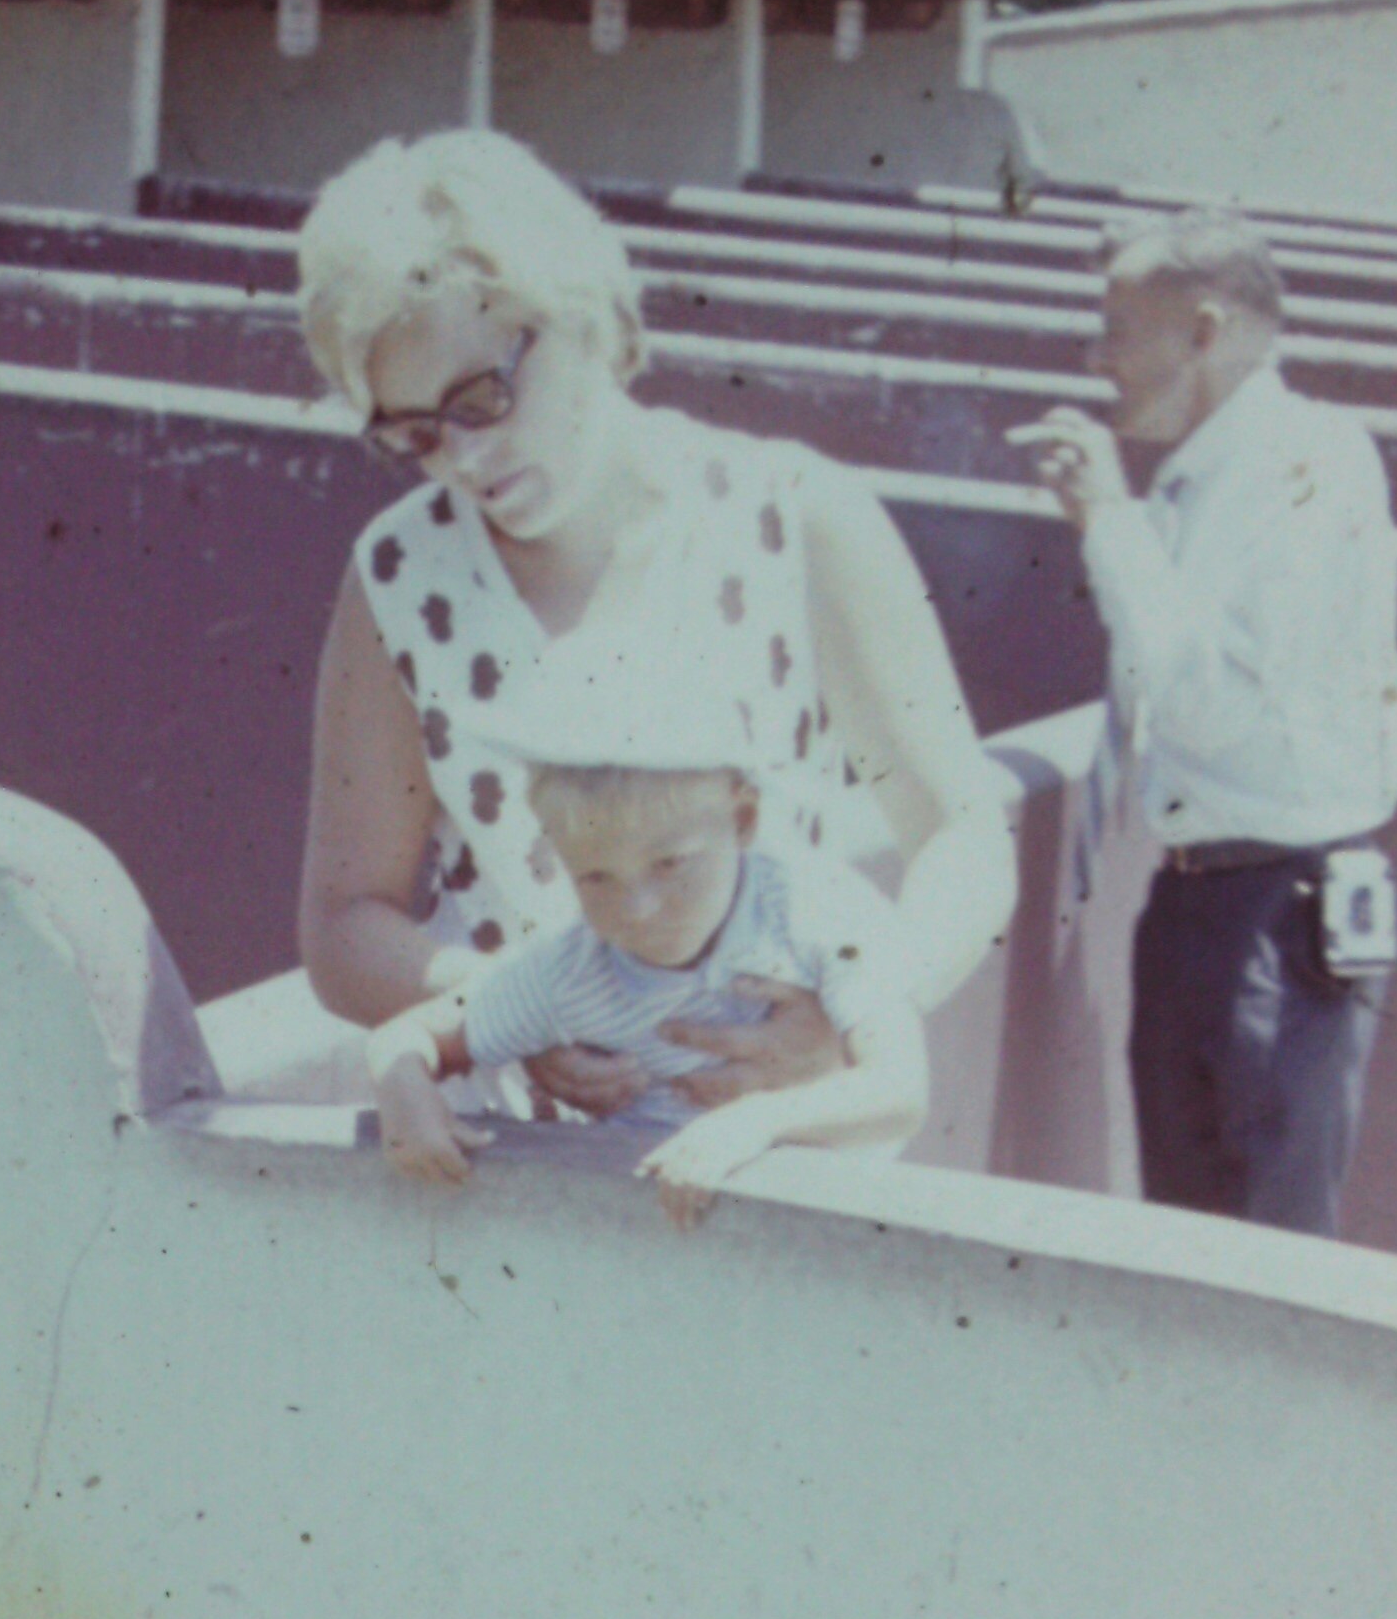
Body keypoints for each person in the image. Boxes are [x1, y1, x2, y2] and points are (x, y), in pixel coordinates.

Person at [293, 128, 1015, 1187]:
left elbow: (961, 826)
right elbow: (344, 921)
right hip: (529, 1178)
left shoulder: (795, 512)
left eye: (483, 399)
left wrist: (859, 1004)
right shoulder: (397, 574)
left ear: (580, 313)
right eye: (412, 433)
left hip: (782, 1166)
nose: (466, 458)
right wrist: (517, 1004)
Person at [1008, 209, 1397, 1240]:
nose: (1098, 361)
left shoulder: (1300, 463)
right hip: (1208, 902)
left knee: (1261, 1248)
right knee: (1195, 1238)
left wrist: (1108, 518)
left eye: (1117, 329)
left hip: (1276, 908)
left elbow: (1200, 697)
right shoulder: (1219, 470)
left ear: (1202, 329)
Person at [365, 636, 929, 1231]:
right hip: (663, 1232)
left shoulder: (815, 911)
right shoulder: (571, 965)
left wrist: (754, 1122)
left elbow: (899, 1090)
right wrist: (398, 1077)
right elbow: (415, 1035)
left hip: (819, 1227)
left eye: (670, 865)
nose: (637, 908)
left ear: (742, 820)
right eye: (596, 876)